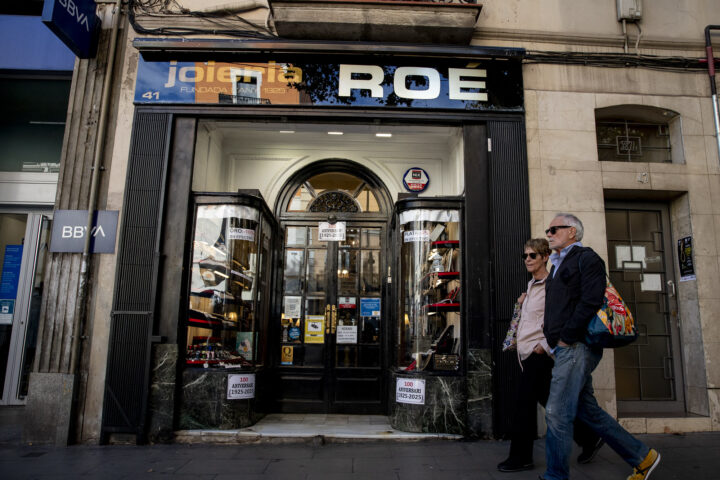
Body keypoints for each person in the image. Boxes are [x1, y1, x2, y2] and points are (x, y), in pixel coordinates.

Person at [541, 213, 661, 480]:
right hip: (564, 348)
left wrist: (566, 337)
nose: (548, 234)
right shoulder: (557, 263)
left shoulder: (587, 258)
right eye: (548, 230)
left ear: (572, 232)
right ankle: (643, 457)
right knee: (587, 411)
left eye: (554, 229)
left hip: (576, 346)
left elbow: (591, 300)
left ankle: (555, 476)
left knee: (557, 413)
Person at [497, 239, 603, 473]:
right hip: (527, 353)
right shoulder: (531, 286)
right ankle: (589, 437)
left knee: (523, 405)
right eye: (525, 255)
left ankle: (520, 457)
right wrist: (519, 305)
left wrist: (543, 346)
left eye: (533, 255)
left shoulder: (552, 286)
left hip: (540, 354)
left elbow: (561, 318)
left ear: (545, 257)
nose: (527, 259)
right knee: (550, 401)